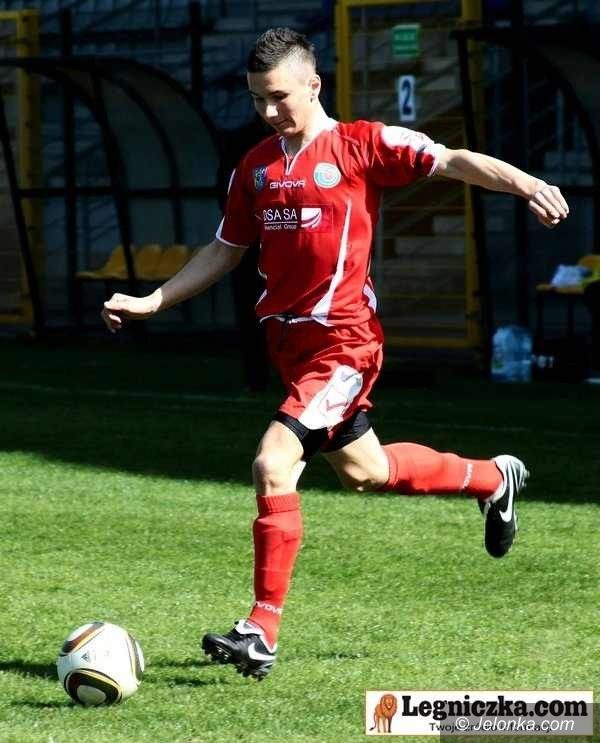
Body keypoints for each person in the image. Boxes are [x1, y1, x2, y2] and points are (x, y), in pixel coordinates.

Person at [101, 28, 569, 681]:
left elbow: (452, 159)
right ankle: (493, 479)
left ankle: (261, 629)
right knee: (367, 471)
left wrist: (527, 183)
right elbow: (225, 249)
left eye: (279, 96)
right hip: (292, 350)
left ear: (314, 84)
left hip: (345, 344)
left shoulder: (361, 145)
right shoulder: (255, 167)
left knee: (273, 461)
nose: (268, 111)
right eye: (258, 99)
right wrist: (154, 299)